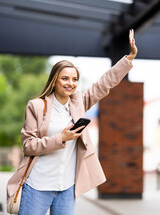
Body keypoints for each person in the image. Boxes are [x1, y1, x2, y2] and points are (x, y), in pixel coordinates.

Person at [7, 29, 137, 215]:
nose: (71, 83)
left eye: (75, 79)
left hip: (67, 187)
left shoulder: (78, 104)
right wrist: (61, 137)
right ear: (54, 81)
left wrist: (129, 58)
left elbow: (103, 84)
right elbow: (28, 146)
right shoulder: (36, 106)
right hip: (38, 186)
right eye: (65, 78)